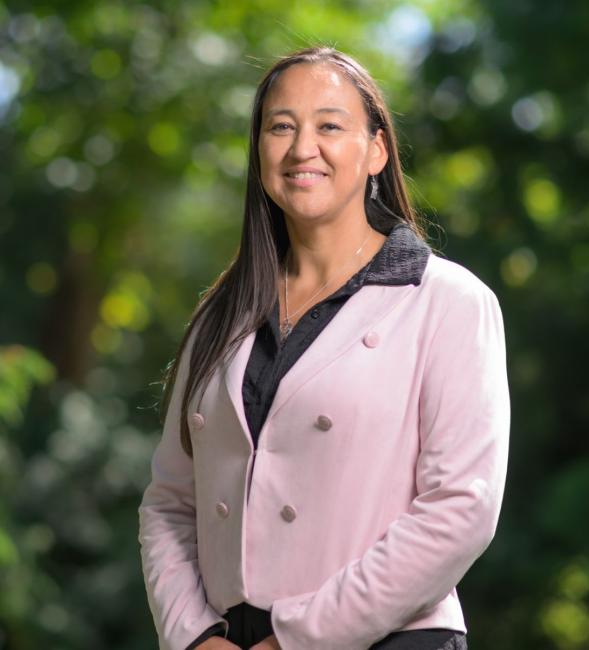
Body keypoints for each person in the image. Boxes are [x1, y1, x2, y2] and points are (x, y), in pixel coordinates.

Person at [137, 46, 510, 650]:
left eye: (330, 125)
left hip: (388, 636)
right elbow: (170, 502)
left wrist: (296, 639)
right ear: (259, 150)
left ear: (376, 150)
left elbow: (460, 509)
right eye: (280, 126)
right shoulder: (220, 313)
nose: (301, 147)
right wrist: (194, 636)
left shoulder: (447, 300)